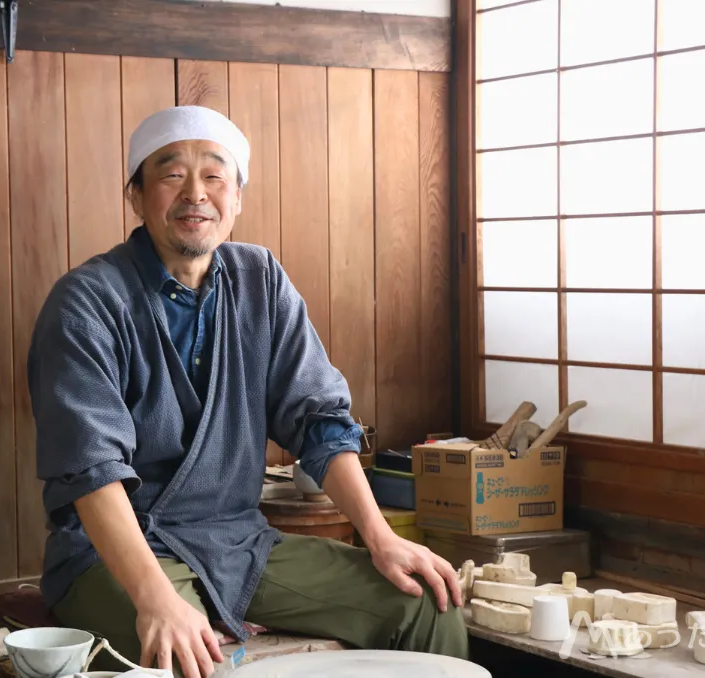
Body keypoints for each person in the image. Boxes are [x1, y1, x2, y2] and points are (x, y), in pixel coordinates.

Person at [27, 105, 468, 678]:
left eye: (214, 175)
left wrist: (380, 537)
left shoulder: (260, 279)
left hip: (238, 544)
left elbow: (319, 420)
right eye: (170, 174)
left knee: (426, 606)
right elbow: (91, 471)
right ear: (135, 195)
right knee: (183, 656)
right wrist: (158, 599)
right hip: (112, 555)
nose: (195, 194)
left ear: (237, 196)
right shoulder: (85, 302)